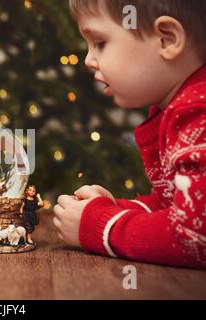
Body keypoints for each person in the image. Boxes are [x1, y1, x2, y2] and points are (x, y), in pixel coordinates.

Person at [53, 0, 206, 268]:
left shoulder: (198, 114)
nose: (88, 60)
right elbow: (172, 205)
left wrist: (97, 226)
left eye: (100, 42)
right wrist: (116, 210)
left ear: (166, 39)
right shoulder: (180, 107)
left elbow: (194, 236)